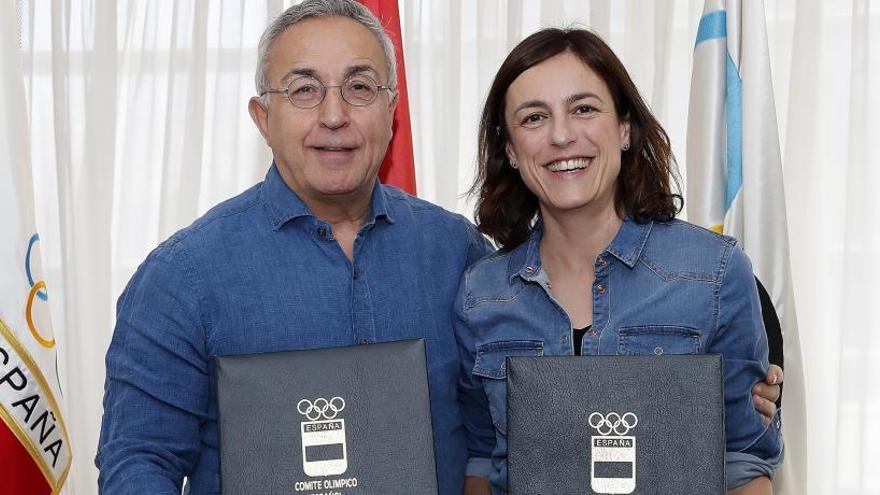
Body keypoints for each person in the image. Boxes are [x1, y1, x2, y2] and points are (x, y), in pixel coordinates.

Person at [96, 2, 782, 493]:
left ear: (391, 110)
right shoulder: (182, 276)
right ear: (262, 116)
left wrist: (736, 388)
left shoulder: (460, 257)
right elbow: (138, 464)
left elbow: (491, 441)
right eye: (304, 90)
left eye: (360, 87)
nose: (334, 114)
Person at [454, 28, 783, 494]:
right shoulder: (479, 295)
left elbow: (743, 464)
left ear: (624, 129)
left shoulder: (713, 275)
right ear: (509, 149)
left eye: (584, 109)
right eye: (533, 118)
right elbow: (484, 463)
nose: (562, 135)